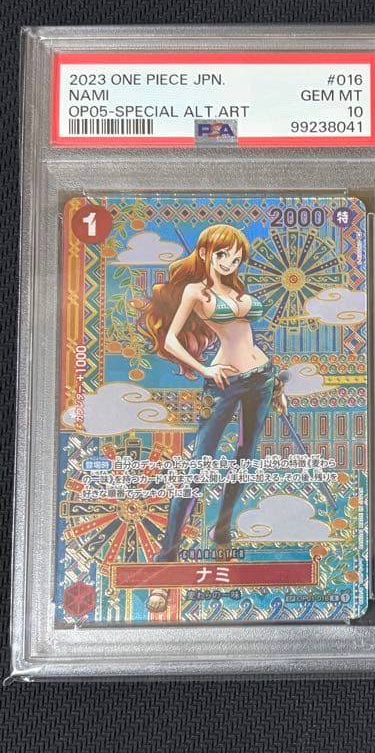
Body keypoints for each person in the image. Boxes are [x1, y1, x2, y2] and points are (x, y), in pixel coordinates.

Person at [142, 224, 285, 561]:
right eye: (222, 255)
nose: (229, 263)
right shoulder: (196, 292)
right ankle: (168, 551)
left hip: (262, 378)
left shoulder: (237, 290)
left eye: (235, 259)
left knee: (245, 458)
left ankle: (221, 531)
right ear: (205, 252)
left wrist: (277, 385)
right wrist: (204, 369)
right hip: (224, 384)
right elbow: (170, 339)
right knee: (199, 465)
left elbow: (248, 339)